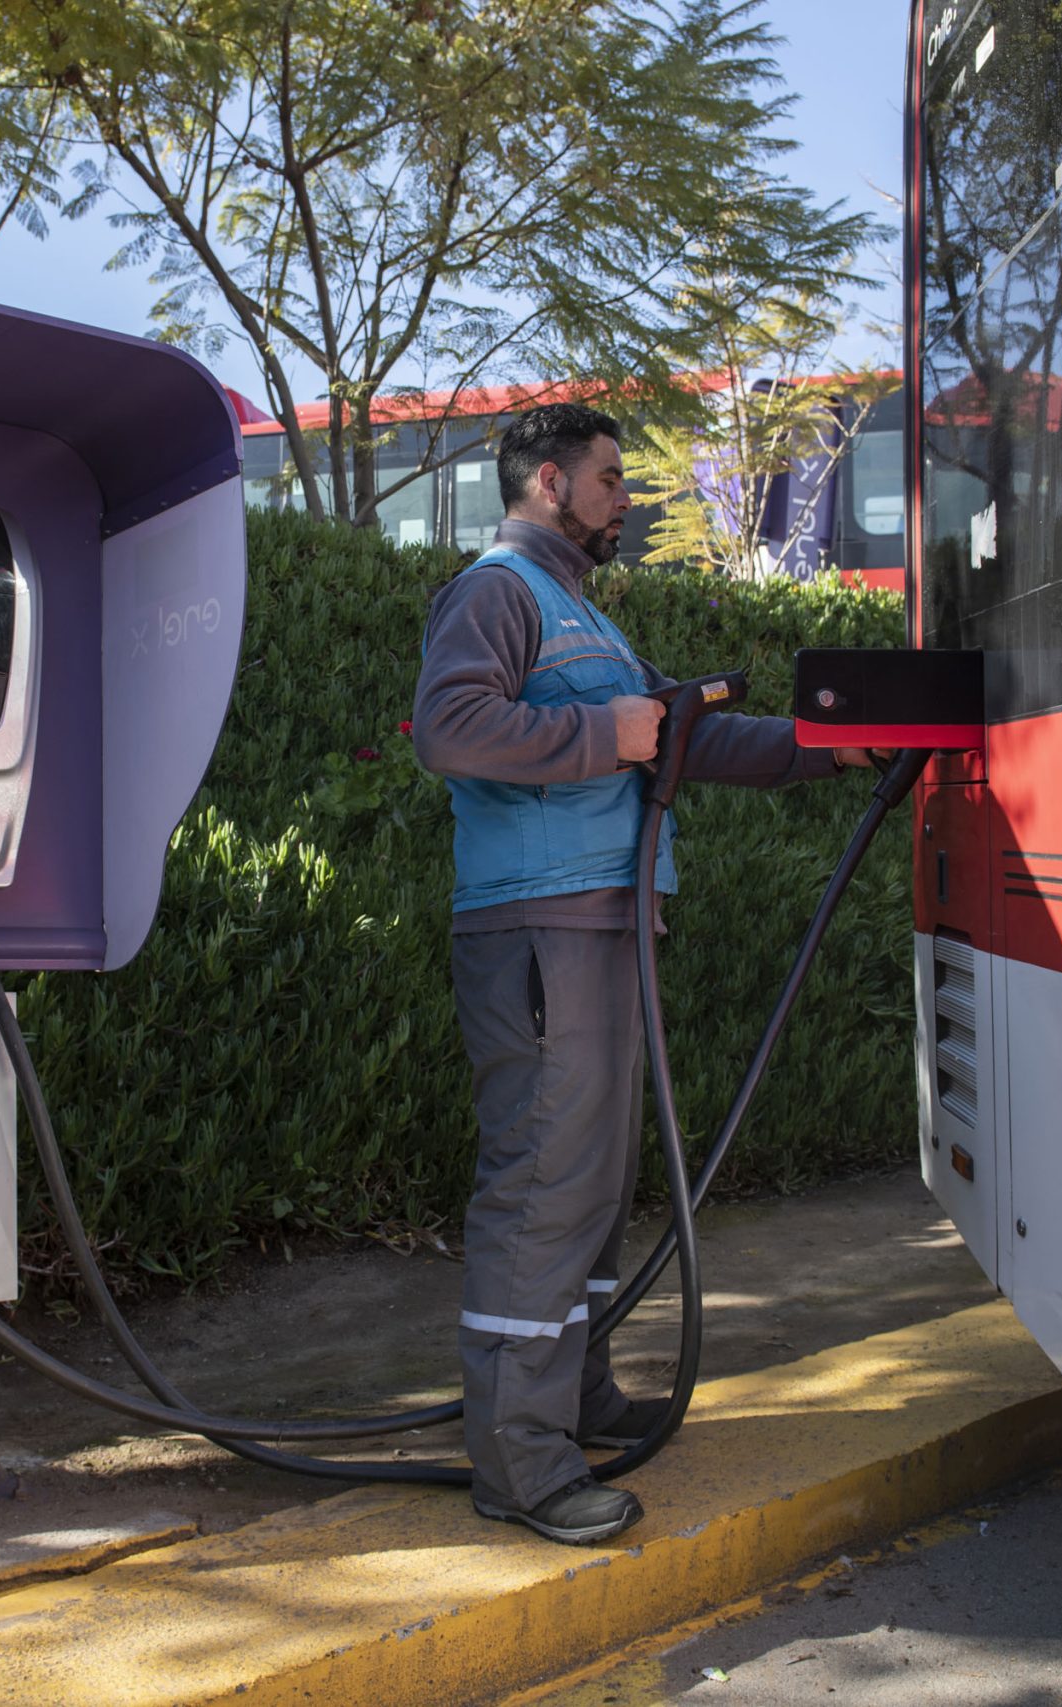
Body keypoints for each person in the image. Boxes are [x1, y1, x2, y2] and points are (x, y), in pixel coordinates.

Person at [410, 402, 869, 1545]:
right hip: (537, 934)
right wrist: (595, 740)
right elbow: (450, 730)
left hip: (604, 932)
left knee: (599, 1185)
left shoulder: (585, 621)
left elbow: (679, 737)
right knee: (543, 1189)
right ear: (549, 486)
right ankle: (520, 1465)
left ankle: (576, 1401)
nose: (628, 497)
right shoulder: (497, 591)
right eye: (611, 479)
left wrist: (828, 745)